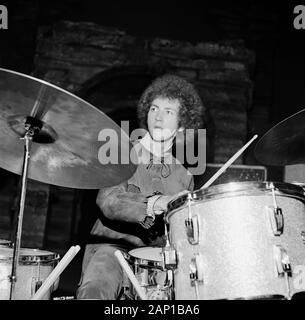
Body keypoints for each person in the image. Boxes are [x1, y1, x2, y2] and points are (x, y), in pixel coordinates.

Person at [76, 74, 207, 300]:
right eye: (154, 109)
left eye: (168, 112)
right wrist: (156, 203)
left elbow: (179, 234)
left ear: (182, 125)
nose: (158, 117)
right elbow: (108, 202)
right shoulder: (122, 152)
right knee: (95, 290)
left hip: (156, 258)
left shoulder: (184, 176)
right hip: (112, 247)